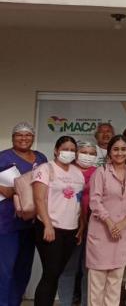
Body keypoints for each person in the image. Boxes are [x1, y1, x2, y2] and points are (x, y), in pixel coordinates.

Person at [87, 135, 126, 306]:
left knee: (115, 281)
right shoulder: (101, 171)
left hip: (123, 232)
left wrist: (124, 222)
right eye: (116, 149)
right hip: (101, 230)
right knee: (97, 282)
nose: (119, 153)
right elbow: (95, 201)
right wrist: (111, 223)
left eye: (123, 149)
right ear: (109, 152)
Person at [32, 135, 85, 306]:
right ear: (56, 150)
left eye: (72, 150)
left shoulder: (78, 173)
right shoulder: (45, 168)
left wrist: (81, 225)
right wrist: (47, 224)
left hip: (71, 230)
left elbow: (79, 200)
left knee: (57, 272)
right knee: (51, 273)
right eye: (65, 149)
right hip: (50, 228)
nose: (69, 153)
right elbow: (39, 199)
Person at [0, 122, 47, 306]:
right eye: (19, 135)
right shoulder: (3, 157)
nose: (23, 138)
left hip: (32, 223)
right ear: (13, 137)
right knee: (5, 268)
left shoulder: (41, 158)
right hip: (6, 222)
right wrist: (4, 188)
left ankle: (15, 302)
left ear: (33, 137)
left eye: (27, 135)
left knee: (23, 268)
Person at [58, 141, 98, 306]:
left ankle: (85, 303)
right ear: (76, 153)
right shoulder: (66, 170)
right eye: (84, 152)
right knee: (68, 267)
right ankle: (65, 302)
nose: (87, 156)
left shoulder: (100, 173)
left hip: (95, 226)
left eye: (91, 153)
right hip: (70, 225)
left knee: (88, 269)